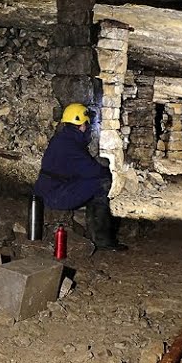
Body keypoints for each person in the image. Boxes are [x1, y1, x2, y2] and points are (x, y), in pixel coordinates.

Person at [33, 103, 128, 252]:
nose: (88, 127)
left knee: (94, 181)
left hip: (48, 190)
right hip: (55, 195)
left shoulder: (62, 139)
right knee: (103, 183)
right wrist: (112, 174)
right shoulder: (70, 145)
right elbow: (91, 171)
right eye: (86, 123)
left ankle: (97, 232)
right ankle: (102, 239)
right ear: (81, 125)